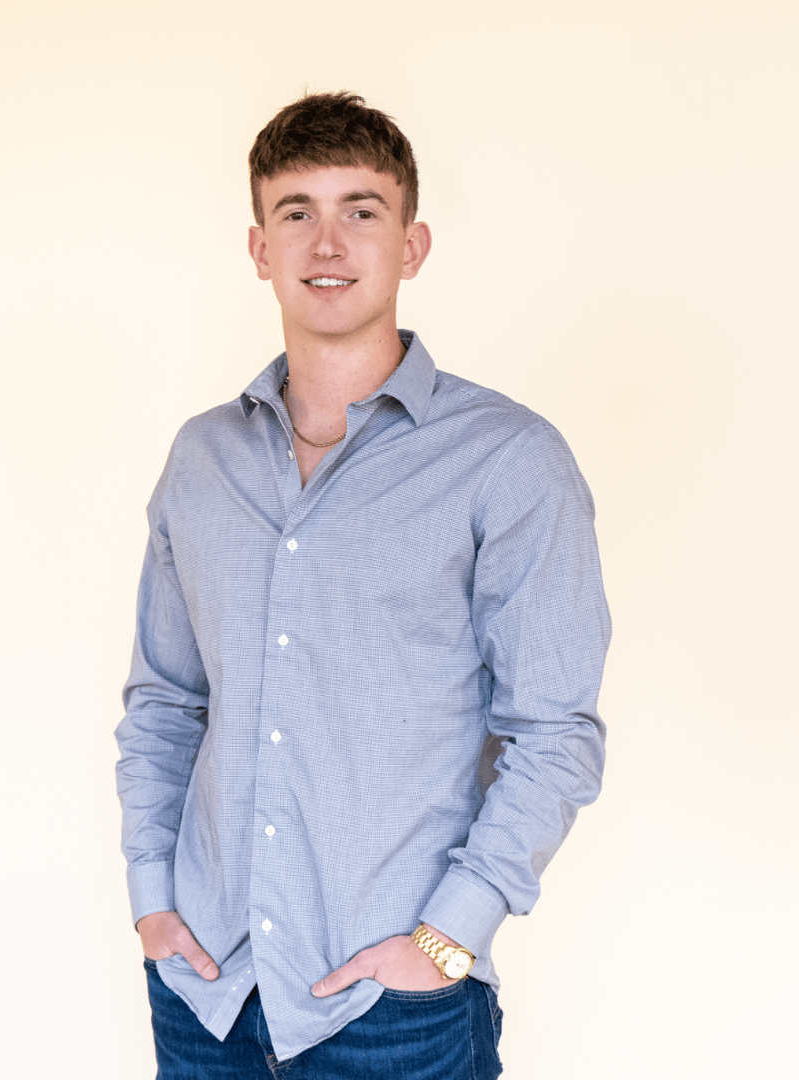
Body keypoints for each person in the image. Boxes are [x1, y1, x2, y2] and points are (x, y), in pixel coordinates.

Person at [114, 91, 611, 1079]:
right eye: (296, 211)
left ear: (412, 245)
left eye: (362, 210)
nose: (327, 242)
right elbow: (166, 703)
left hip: (397, 1012)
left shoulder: (508, 459)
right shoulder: (202, 460)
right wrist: (152, 904)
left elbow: (556, 732)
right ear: (259, 248)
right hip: (207, 994)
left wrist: (447, 940)